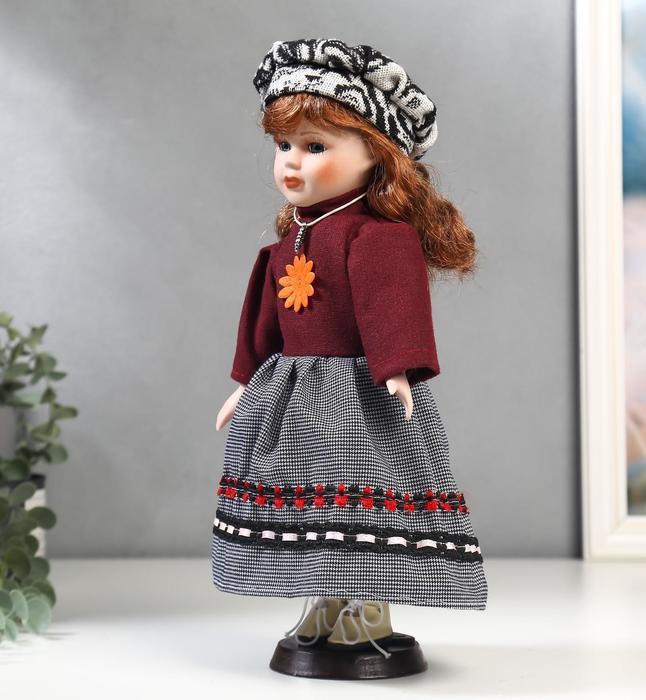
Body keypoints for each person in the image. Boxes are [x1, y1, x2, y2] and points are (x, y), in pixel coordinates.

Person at [211, 38, 487, 661]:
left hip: (356, 397)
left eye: (316, 147)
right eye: (284, 146)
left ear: (376, 154)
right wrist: (245, 383)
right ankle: (324, 605)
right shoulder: (292, 238)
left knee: (360, 494)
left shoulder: (377, 236)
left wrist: (397, 368)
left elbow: (392, 302)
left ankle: (369, 612)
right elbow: (265, 320)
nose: (292, 162)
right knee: (309, 505)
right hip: (291, 397)